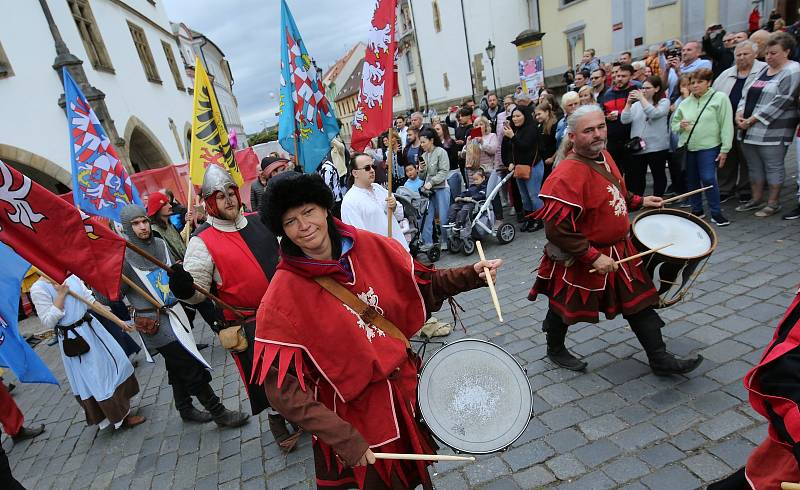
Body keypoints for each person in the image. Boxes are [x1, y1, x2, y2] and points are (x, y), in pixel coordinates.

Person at [253, 172, 502, 489]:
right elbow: (280, 390)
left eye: (308, 212)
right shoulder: (280, 298)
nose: (303, 226)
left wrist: (471, 275)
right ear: (282, 231)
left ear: (325, 209)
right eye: (290, 222)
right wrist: (342, 437)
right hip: (354, 421)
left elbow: (422, 284)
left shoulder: (368, 245)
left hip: (403, 396)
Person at [529, 105, 703, 375]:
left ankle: (660, 358)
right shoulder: (565, 176)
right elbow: (557, 230)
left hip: (621, 250)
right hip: (582, 256)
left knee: (640, 302)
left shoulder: (604, 155)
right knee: (563, 305)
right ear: (572, 136)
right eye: (589, 130)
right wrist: (593, 256)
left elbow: (616, 192)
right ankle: (555, 349)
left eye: (601, 127)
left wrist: (640, 200)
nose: (598, 134)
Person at [169, 165, 295, 447]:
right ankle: (277, 418)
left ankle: (300, 411)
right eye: (220, 196)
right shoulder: (201, 242)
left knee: (294, 368)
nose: (229, 200)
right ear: (210, 202)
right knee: (268, 379)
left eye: (231, 193)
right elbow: (196, 296)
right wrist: (183, 287)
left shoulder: (259, 220)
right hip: (248, 324)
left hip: (283, 312)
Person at [118, 204, 249, 428]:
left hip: (176, 313)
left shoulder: (159, 244)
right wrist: (103, 275)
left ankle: (184, 407)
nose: (142, 227)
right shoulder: (123, 259)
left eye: (144, 221)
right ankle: (218, 412)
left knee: (176, 364)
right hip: (155, 323)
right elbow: (109, 296)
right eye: (136, 224)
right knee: (188, 363)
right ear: (127, 229)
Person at [30, 275, 145, 430]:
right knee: (98, 378)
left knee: (118, 363)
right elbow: (48, 321)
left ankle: (121, 408)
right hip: (75, 341)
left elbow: (91, 302)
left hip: (93, 330)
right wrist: (61, 295)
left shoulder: (70, 276)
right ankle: (120, 416)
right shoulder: (38, 289)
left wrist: (119, 322)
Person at [734, 32, 800, 218]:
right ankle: (756, 199)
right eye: (767, 53)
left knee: (773, 166)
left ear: (786, 52)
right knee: (754, 166)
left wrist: (752, 119)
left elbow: (782, 100)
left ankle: (773, 202)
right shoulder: (764, 69)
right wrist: (739, 114)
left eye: (773, 53)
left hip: (772, 131)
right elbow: (746, 93)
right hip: (748, 129)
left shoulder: (792, 70)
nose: (768, 57)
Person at [671, 68, 733, 226]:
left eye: (700, 82)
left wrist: (725, 149)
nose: (695, 85)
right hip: (688, 147)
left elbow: (726, 124)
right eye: (692, 83)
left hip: (709, 146)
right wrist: (680, 125)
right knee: (691, 180)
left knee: (708, 178)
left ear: (709, 82)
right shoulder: (685, 102)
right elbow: (674, 124)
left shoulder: (719, 98)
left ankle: (716, 212)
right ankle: (697, 209)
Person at [712, 40, 765, 204]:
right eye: (738, 54)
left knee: (748, 157)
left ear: (755, 54)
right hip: (727, 123)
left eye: (745, 54)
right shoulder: (726, 74)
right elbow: (714, 95)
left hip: (751, 122)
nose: (741, 57)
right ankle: (725, 188)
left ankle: (745, 188)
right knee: (727, 156)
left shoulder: (763, 70)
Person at [341, 153, 407, 250]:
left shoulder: (380, 189)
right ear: (355, 173)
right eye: (367, 168)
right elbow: (359, 238)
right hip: (380, 255)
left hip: (399, 248)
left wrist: (394, 206)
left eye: (373, 167)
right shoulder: (350, 201)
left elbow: (400, 215)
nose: (372, 170)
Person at [620, 76, 671, 196]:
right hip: (639, 147)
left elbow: (653, 113)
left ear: (657, 89)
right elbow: (624, 120)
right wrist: (628, 103)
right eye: (642, 88)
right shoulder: (636, 105)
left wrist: (642, 99)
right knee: (638, 177)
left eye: (647, 88)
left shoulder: (664, 102)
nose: (644, 90)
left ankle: (658, 199)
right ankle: (640, 201)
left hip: (657, 147)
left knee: (658, 175)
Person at [504, 106, 544, 232]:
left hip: (533, 167)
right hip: (519, 168)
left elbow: (525, 146)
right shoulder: (515, 130)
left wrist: (512, 137)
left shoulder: (531, 128)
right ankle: (530, 219)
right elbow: (511, 148)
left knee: (534, 195)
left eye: (518, 116)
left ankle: (539, 220)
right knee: (524, 197)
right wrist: (510, 162)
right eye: (513, 116)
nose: (515, 119)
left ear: (525, 116)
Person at [599, 63, 636, 177]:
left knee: (633, 174)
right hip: (613, 140)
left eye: (623, 76)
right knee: (615, 173)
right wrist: (607, 117)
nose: (619, 79)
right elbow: (601, 114)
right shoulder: (608, 94)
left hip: (630, 138)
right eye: (618, 76)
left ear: (631, 77)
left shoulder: (635, 92)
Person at [418, 127, 451, 250]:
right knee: (426, 216)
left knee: (443, 216)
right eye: (420, 142)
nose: (421, 145)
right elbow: (422, 177)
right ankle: (428, 243)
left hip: (441, 188)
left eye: (423, 142)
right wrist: (421, 170)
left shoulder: (441, 152)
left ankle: (446, 240)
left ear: (431, 140)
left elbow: (444, 172)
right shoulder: (424, 155)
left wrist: (431, 182)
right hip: (428, 191)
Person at [146, 191, 186, 259]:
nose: (170, 206)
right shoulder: (155, 232)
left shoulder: (170, 225)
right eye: (165, 204)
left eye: (168, 203)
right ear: (157, 209)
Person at [534, 101, 558, 182]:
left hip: (553, 162)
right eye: (536, 115)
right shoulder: (540, 126)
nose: (537, 117)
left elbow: (560, 145)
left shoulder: (555, 125)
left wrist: (552, 158)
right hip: (544, 162)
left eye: (539, 114)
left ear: (547, 112)